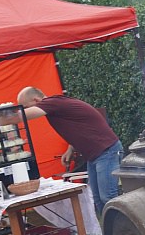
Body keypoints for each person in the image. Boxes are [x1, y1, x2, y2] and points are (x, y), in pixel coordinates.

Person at [16, 87, 123, 217]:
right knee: (98, 199)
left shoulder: (51, 103)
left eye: (25, 107)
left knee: (108, 197)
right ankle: (110, 233)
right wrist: (71, 148)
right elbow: (79, 126)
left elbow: (20, 117)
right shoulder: (56, 106)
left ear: (36, 100)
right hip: (95, 155)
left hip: (106, 151)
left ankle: (123, 231)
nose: (25, 110)